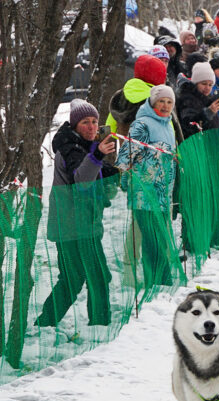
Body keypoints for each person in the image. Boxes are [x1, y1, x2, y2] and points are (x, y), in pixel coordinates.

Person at [36, 100, 116, 328]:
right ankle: (99, 327)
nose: (91, 127)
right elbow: (81, 180)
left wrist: (117, 173)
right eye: (85, 123)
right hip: (72, 226)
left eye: (94, 122)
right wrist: (98, 156)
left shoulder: (83, 145)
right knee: (92, 277)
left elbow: (99, 172)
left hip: (83, 224)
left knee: (80, 277)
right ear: (74, 125)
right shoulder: (69, 148)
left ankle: (47, 323)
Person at [116, 85, 177, 289]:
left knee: (159, 239)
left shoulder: (168, 125)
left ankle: (158, 282)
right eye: (161, 101)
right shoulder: (142, 124)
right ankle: (161, 283)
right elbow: (125, 156)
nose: (165, 105)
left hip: (162, 196)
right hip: (144, 194)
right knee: (153, 242)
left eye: (169, 102)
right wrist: (127, 180)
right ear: (152, 103)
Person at [106, 54, 168, 136]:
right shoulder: (159, 99)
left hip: (127, 147)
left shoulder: (120, 96)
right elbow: (170, 133)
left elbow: (111, 129)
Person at [176, 61, 219, 138]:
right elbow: (188, 125)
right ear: (196, 83)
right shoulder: (188, 100)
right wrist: (207, 114)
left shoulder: (207, 101)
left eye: (210, 85)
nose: (207, 88)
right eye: (204, 84)